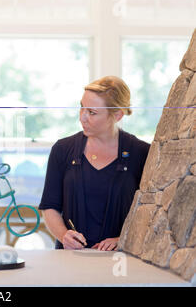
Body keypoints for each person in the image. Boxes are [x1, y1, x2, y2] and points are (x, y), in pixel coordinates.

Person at [39, 76, 149, 251]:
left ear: (117, 115)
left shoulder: (142, 153)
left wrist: (123, 239)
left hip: (121, 263)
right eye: (81, 107)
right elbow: (50, 207)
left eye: (92, 112)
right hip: (70, 261)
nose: (82, 117)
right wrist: (64, 235)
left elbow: (149, 213)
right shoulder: (62, 149)